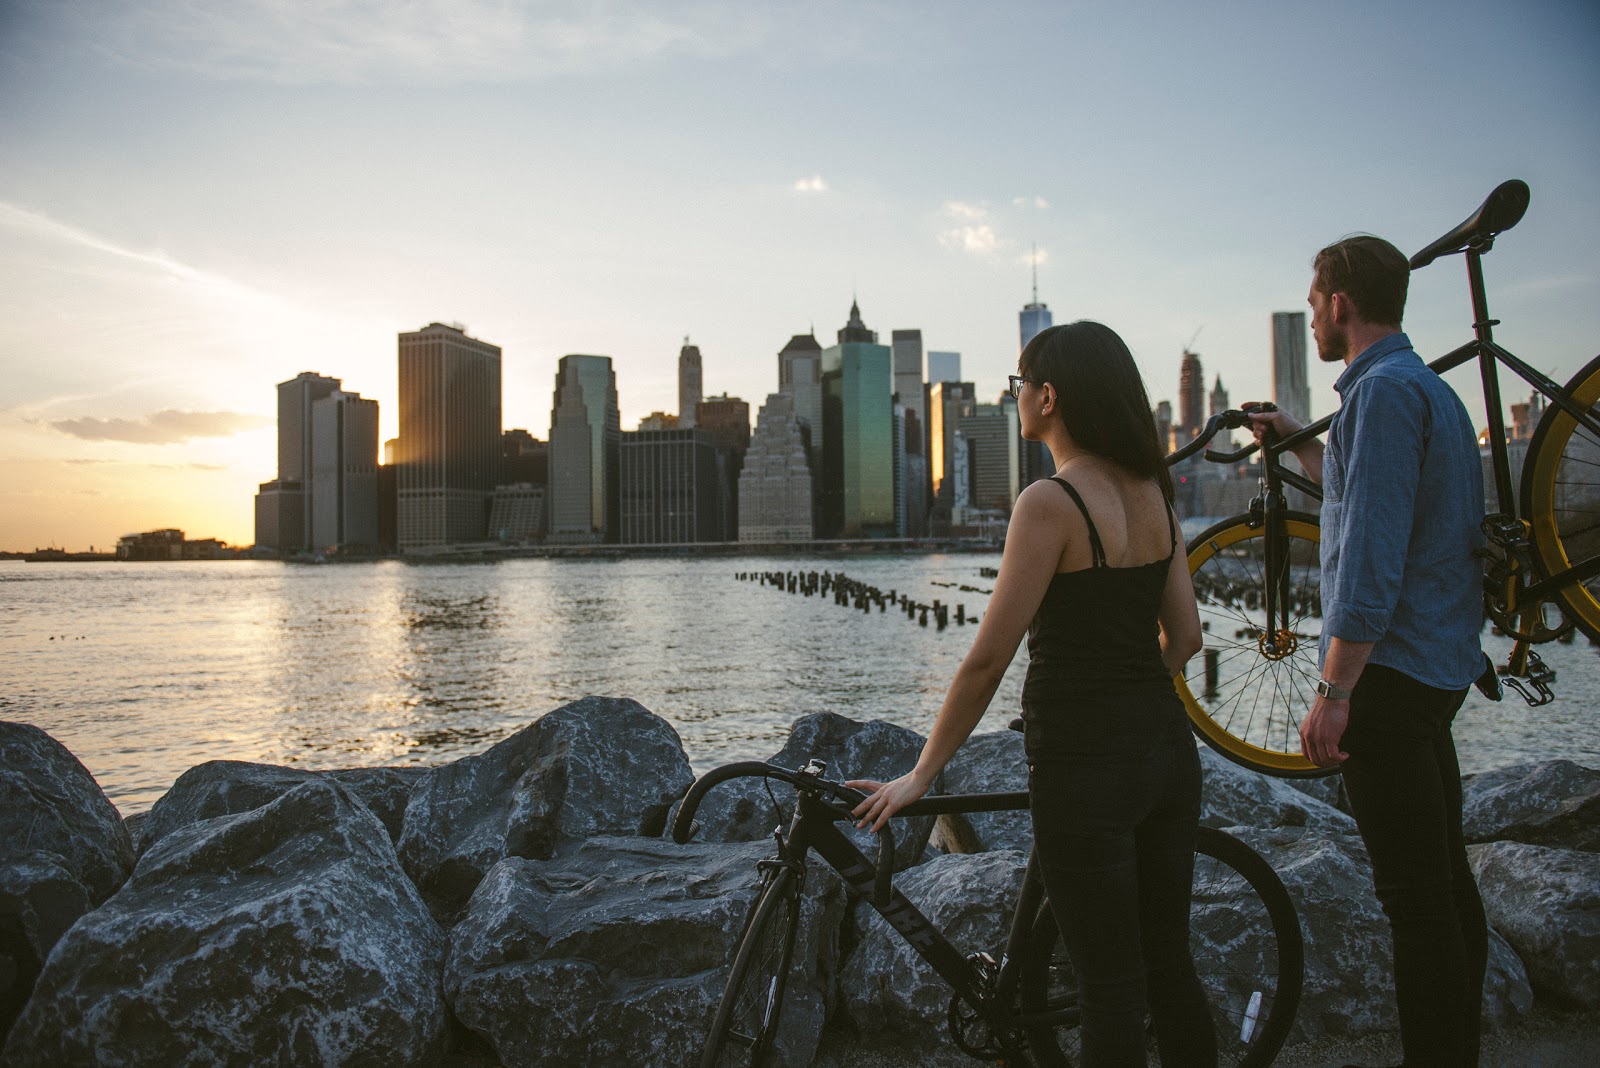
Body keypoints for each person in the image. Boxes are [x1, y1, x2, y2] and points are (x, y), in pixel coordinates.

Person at [848, 321, 1215, 1066]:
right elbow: (1186, 639)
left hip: (1085, 768)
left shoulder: (1048, 503)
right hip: (1167, 755)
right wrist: (1131, 687)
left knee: (1108, 987)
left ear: (1050, 397)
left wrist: (922, 774)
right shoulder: (1154, 493)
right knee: (1168, 968)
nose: (1014, 396)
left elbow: (987, 661)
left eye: (1020, 383)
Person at [1249, 235, 1488, 1068]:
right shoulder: (1426, 391)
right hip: (1436, 668)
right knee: (1446, 886)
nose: (1312, 317)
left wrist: (1334, 690)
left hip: (1385, 679)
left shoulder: (1381, 397)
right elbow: (1370, 499)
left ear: (1340, 305)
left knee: (1416, 904)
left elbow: (1372, 559)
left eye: (1313, 303)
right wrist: (1298, 444)